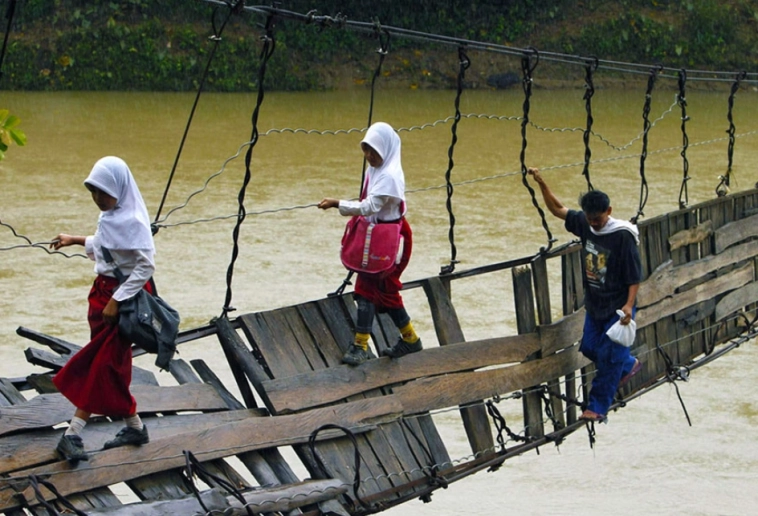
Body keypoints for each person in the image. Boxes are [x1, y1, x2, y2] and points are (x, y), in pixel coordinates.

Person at [50, 156, 155, 463]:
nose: (98, 199)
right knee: (113, 364)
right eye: (93, 192)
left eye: (103, 192)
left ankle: (72, 433)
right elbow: (108, 245)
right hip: (103, 296)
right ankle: (135, 426)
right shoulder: (112, 218)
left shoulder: (134, 222)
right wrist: (75, 239)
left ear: (119, 190)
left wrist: (116, 300)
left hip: (121, 302)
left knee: (101, 363)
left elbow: (145, 265)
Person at [528, 167, 642, 422]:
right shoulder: (587, 224)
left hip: (618, 307)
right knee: (590, 348)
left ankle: (597, 407)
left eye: (598, 219)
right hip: (595, 304)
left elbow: (635, 276)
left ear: (609, 212)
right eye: (590, 219)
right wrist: (542, 183)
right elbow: (558, 209)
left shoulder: (622, 236)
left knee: (610, 358)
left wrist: (628, 306)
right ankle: (629, 365)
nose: (593, 223)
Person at [318, 122, 422, 366]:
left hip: (391, 242)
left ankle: (360, 345)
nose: (368, 156)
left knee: (368, 288)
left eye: (373, 151)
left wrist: (337, 203)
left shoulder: (389, 176)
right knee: (384, 289)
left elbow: (369, 207)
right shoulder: (375, 171)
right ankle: (410, 339)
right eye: (365, 150)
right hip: (378, 238)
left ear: (386, 150)